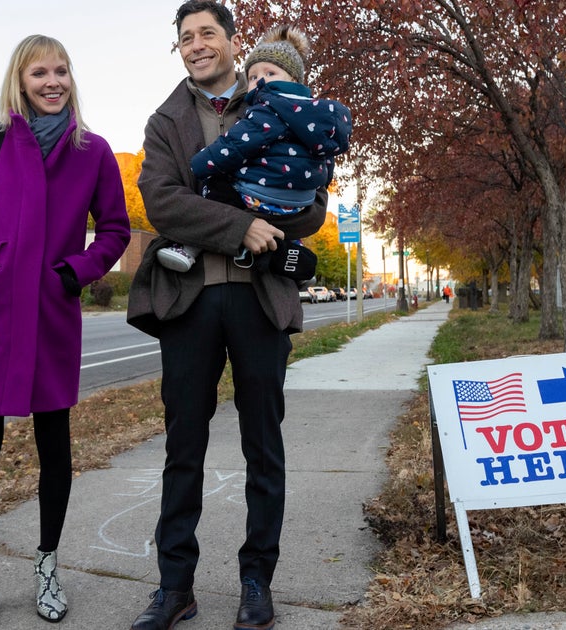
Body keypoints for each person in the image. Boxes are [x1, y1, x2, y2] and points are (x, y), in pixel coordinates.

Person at [124, 3, 329, 629]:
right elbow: (162, 202)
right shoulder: (165, 121)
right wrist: (244, 225)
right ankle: (174, 588)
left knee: (263, 447)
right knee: (182, 447)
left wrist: (273, 223)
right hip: (188, 301)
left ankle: (255, 583)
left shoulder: (276, 98)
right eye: (185, 38)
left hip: (259, 299)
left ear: (234, 42)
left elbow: (312, 203)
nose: (196, 45)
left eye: (207, 33)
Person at [0, 34, 131, 630]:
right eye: (39, 72)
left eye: (61, 71)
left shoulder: (91, 150)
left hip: (49, 316)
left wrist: (77, 271)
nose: (52, 82)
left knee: (55, 449)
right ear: (20, 80)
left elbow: (116, 230)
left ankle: (47, 567)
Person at [155, 24, 351, 272]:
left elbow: (235, 145)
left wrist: (201, 164)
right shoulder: (319, 116)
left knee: (217, 185)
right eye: (254, 77)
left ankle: (189, 247)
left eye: (270, 73)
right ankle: (294, 250)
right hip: (301, 199)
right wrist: (315, 181)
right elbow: (327, 159)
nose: (260, 82)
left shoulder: (267, 108)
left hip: (261, 194)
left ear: (293, 79)